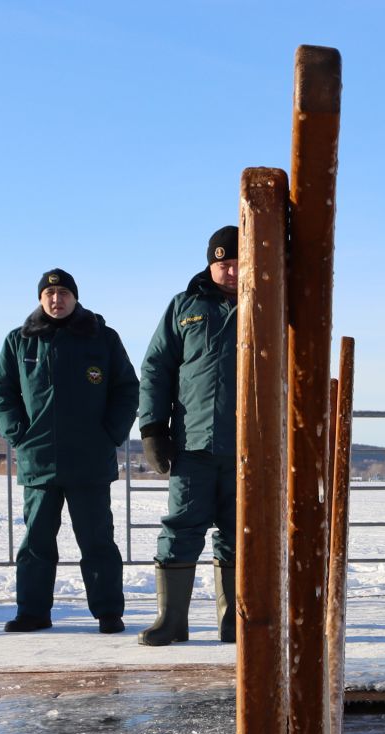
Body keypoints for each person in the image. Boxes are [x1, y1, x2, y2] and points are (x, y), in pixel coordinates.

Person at [0, 268, 139, 633]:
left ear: (75, 297)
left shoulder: (102, 338)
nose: (57, 300)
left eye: (64, 294)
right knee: (36, 541)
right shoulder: (20, 341)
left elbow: (126, 388)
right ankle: (33, 612)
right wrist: (18, 433)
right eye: (49, 295)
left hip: (90, 460)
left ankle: (107, 612)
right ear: (41, 299)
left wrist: (111, 434)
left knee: (97, 540)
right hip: (39, 460)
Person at [135, 227, 240, 646]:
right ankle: (171, 619)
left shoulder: (273, 303)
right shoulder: (185, 307)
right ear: (210, 265)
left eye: (237, 263)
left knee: (241, 534)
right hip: (193, 443)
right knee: (180, 529)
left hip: (253, 448)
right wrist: (152, 428)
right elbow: (156, 369)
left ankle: (236, 621)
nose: (230, 272)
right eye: (222, 264)